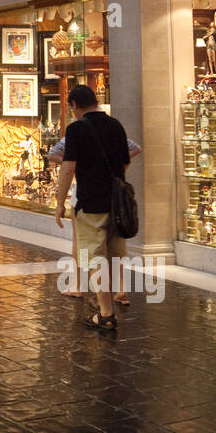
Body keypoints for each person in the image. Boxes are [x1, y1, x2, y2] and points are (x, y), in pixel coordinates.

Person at [54, 85, 131, 330]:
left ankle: (106, 312)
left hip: (90, 203)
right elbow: (125, 161)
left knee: (92, 257)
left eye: (72, 107)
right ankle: (108, 301)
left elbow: (68, 168)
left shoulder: (76, 129)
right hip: (117, 204)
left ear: (75, 105)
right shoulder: (116, 126)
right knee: (112, 254)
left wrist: (59, 202)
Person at [48, 127, 141, 302]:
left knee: (82, 243)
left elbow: (53, 154)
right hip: (111, 194)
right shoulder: (111, 133)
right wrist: (118, 167)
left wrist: (75, 165)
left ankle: (79, 284)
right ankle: (120, 288)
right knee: (115, 245)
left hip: (86, 195)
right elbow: (135, 148)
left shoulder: (77, 134)